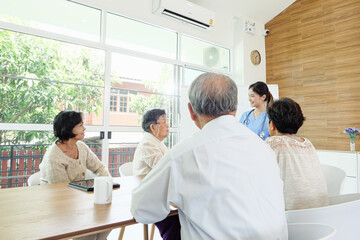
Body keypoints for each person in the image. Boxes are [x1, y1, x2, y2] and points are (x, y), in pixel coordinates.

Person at [131, 73, 288, 240]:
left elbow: (141, 209)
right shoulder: (264, 148)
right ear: (234, 109)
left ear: (191, 112)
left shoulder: (183, 154)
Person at [39, 111, 111, 240]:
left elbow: (99, 167)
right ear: (68, 128)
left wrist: (107, 185)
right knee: (91, 227)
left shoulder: (81, 147)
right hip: (58, 207)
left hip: (78, 201)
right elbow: (63, 193)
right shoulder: (53, 157)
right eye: (80, 125)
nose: (84, 128)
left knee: (108, 219)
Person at [265, 98, 328, 211]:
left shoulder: (273, 143)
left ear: (272, 125)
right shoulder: (308, 143)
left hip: (293, 217)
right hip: (320, 213)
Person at [133, 109, 169, 176]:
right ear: (152, 127)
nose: (167, 125)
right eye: (164, 121)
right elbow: (164, 168)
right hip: (146, 184)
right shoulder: (147, 144)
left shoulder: (157, 141)